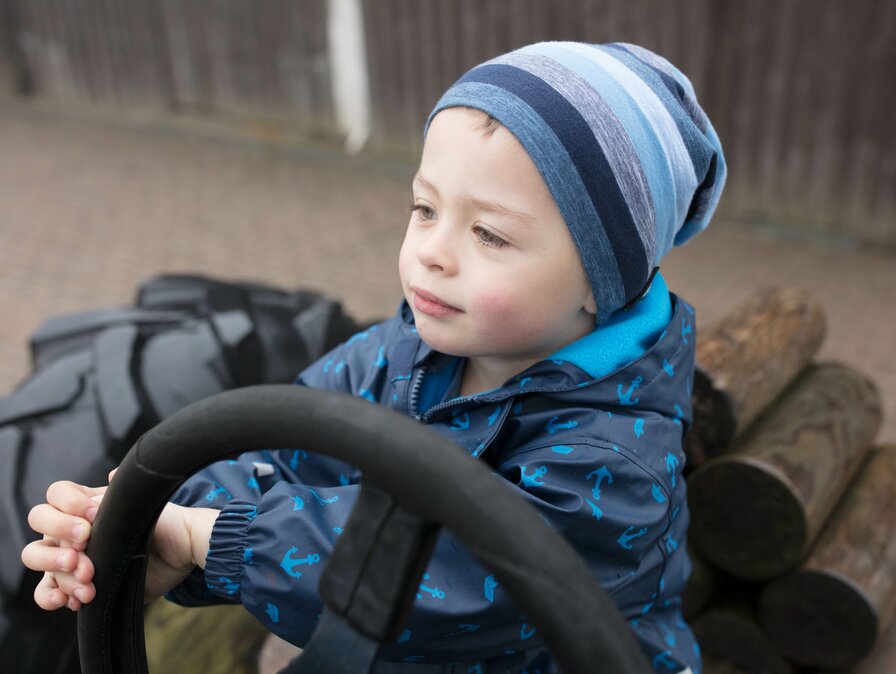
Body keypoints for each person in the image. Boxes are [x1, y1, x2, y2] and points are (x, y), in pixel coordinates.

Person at [21, 41, 725, 673]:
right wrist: (157, 522)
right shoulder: (402, 355)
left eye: (488, 233)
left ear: (601, 283)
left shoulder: (615, 460)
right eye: (424, 209)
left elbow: (448, 579)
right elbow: (284, 456)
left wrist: (216, 541)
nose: (431, 252)